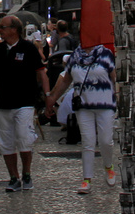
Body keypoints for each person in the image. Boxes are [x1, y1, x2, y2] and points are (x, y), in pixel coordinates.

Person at [0, 14, 50, 192]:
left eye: (3, 27)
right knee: (5, 142)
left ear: (14, 29)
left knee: (24, 137)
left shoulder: (28, 48)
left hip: (25, 102)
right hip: (3, 102)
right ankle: (13, 177)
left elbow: (41, 72)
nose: (0, 30)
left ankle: (27, 173)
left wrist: (48, 95)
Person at [46, 41, 117, 193]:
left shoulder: (105, 54)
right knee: (87, 141)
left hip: (105, 104)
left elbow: (114, 77)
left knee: (105, 141)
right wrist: (52, 98)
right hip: (83, 105)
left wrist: (118, 97)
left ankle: (108, 166)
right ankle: (87, 179)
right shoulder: (75, 56)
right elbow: (66, 79)